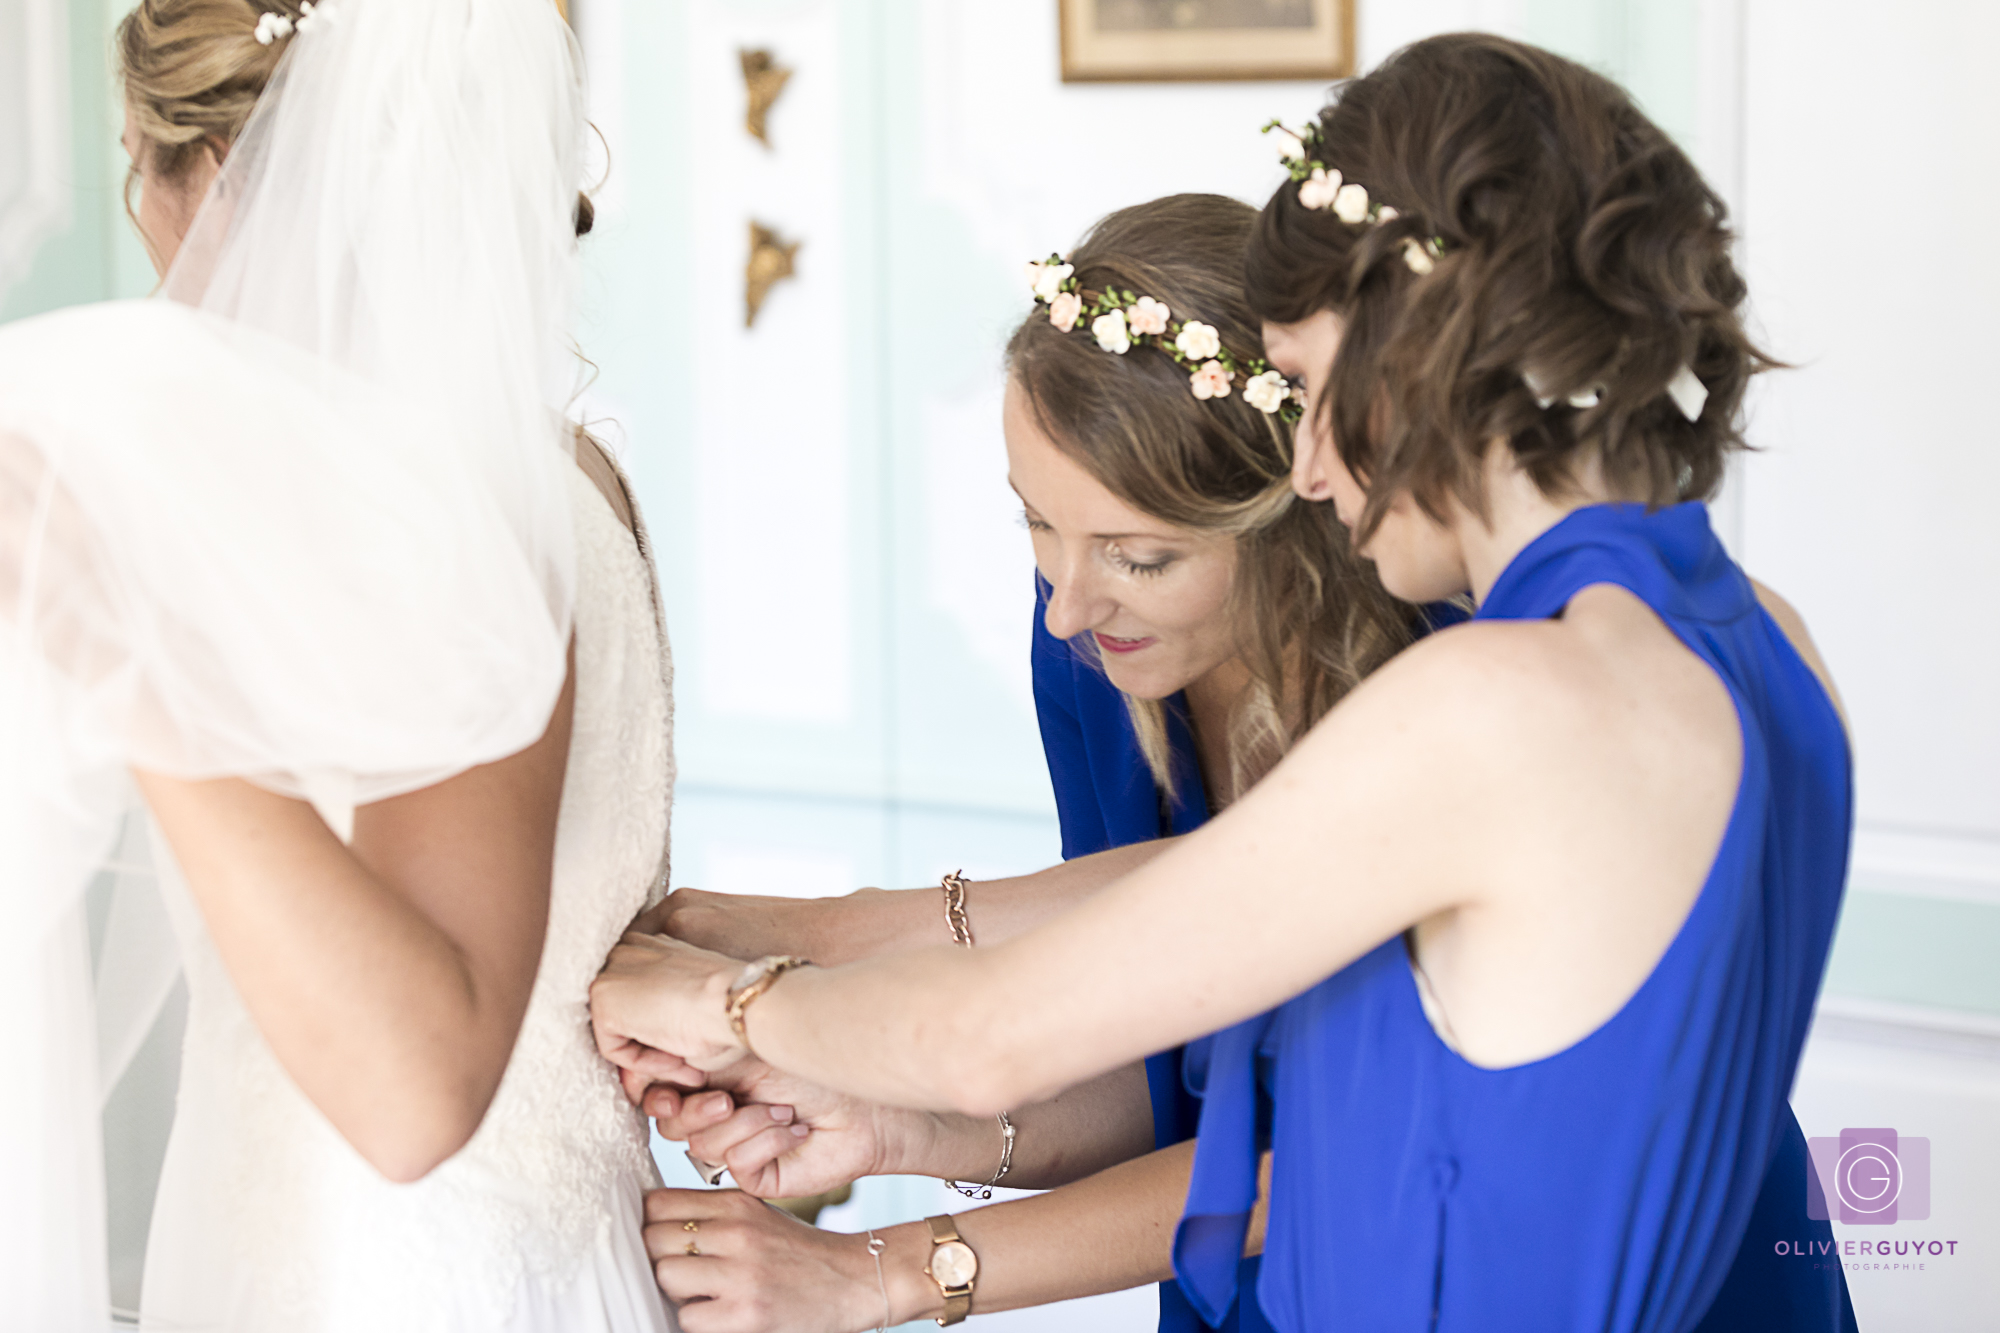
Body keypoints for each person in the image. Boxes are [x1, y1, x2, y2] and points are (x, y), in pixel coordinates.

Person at [590, 32, 1857, 1332]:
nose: (1307, 465)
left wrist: (712, 1000)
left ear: (1412, 347)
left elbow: (993, 1034)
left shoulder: (1491, 701)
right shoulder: (1763, 638)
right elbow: (1245, 942)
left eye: (1307, 384)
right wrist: (854, 1070)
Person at [627, 193, 1431, 1333]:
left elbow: (1313, 1158)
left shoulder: (1438, 692)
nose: (1065, 607)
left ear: (1293, 511)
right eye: (1034, 525)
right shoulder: (1100, 656)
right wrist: (895, 1129)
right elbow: (1166, 1077)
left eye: (1139, 556)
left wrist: (876, 1266)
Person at [0, 1, 674, 1328]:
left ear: (236, 183)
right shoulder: (560, 464)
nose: (144, 229)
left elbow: (419, 1090)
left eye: (144, 166)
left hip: (402, 1280)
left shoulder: (453, 518)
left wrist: (117, 637)